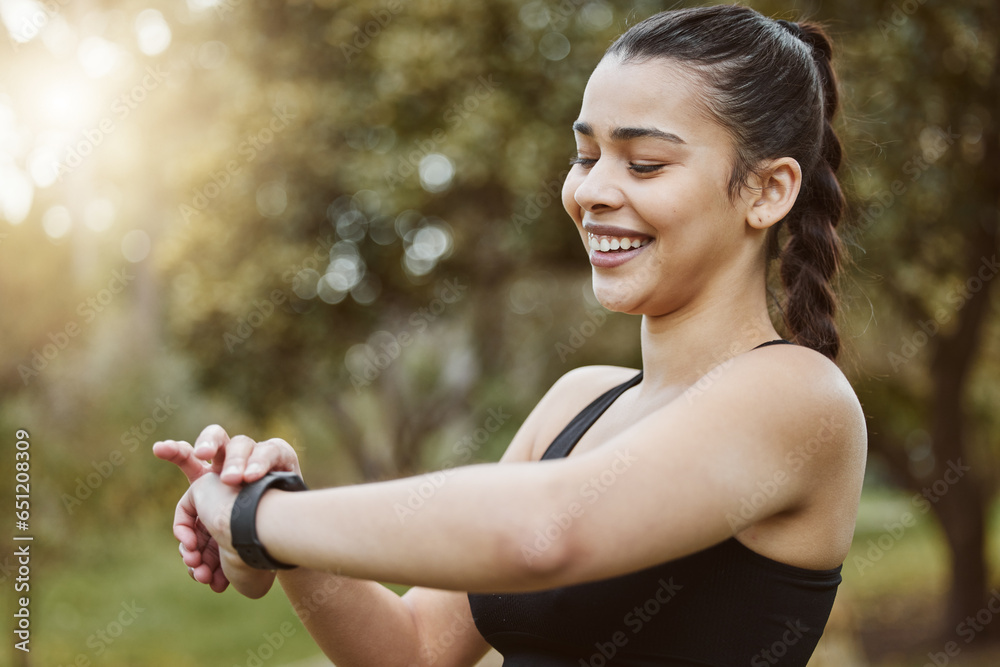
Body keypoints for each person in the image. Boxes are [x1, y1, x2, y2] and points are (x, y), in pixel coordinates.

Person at [154, 4, 867, 666]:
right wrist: (278, 527)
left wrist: (259, 519)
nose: (591, 191)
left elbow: (543, 534)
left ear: (768, 190)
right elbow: (417, 649)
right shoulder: (574, 404)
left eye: (644, 162)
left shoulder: (798, 399)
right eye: (586, 156)